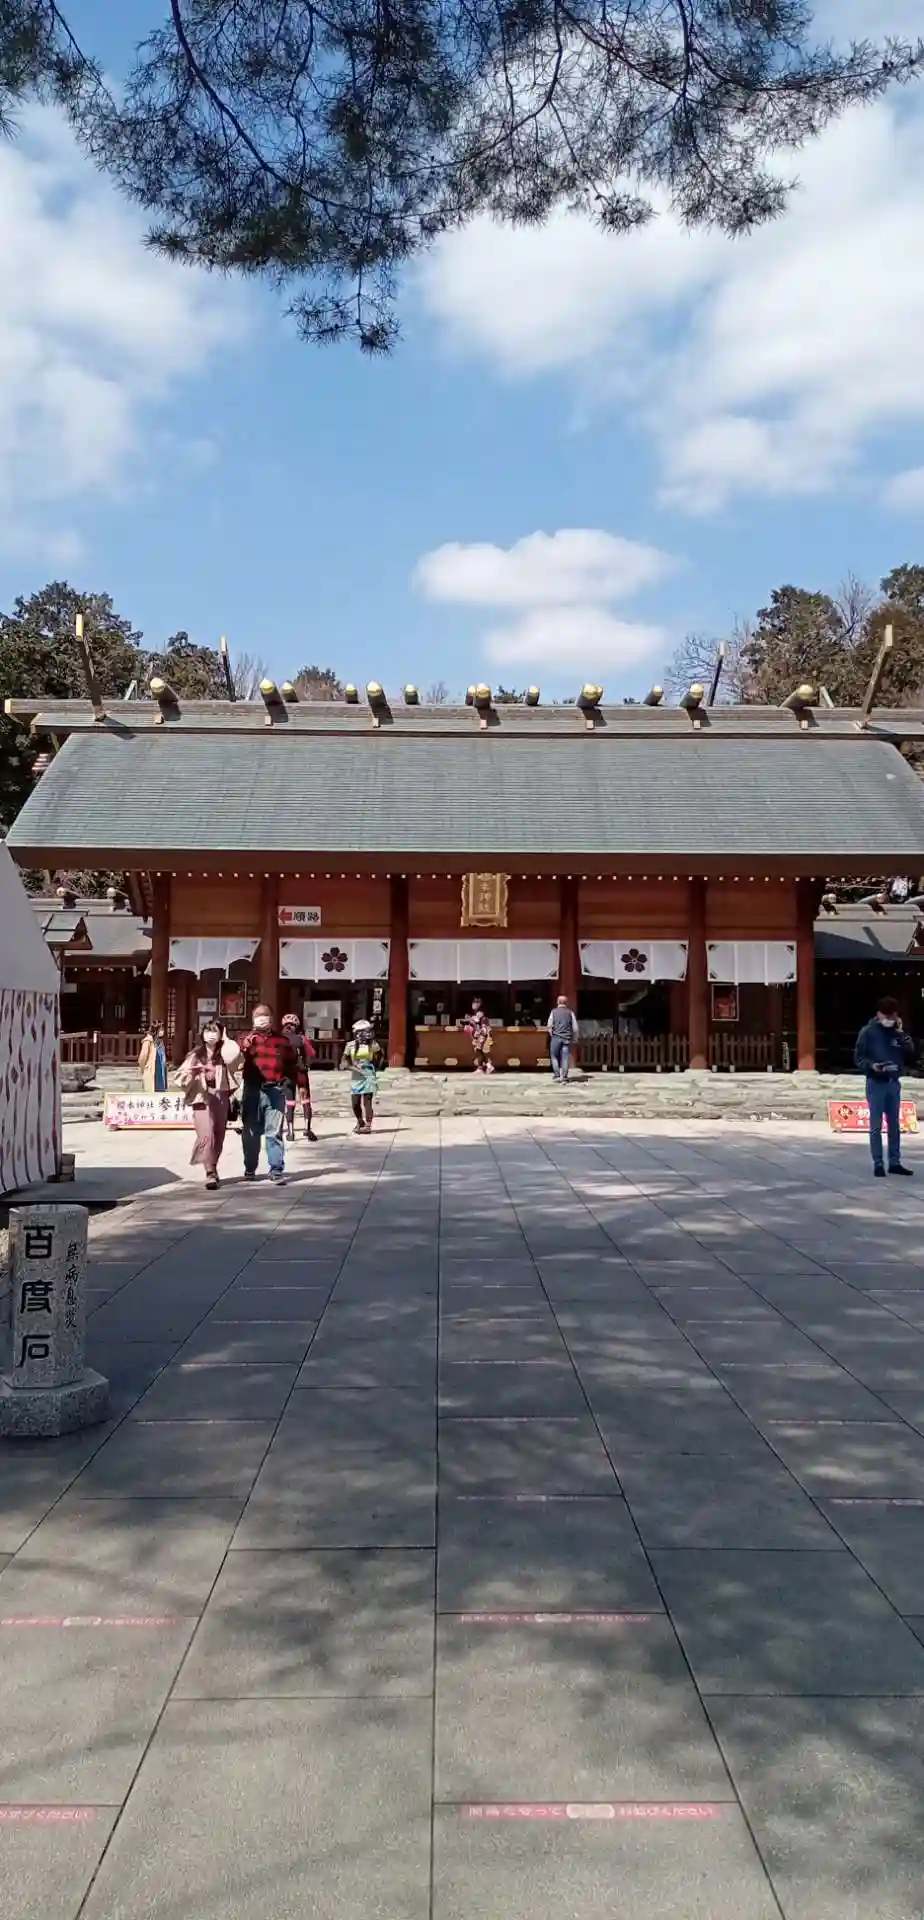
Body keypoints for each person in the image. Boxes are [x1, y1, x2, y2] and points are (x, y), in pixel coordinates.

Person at [237, 1004, 304, 1184]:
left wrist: (292, 1084)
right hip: (253, 1090)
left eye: (265, 1015)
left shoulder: (282, 1040)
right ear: (253, 1019)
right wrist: (245, 1047)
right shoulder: (245, 1039)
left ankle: (276, 1169)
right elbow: (235, 1058)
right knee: (251, 1132)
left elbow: (292, 1063)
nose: (262, 1018)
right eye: (258, 1016)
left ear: (271, 1019)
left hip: (275, 1089)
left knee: (274, 1132)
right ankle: (250, 1168)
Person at [175, 1020, 242, 1190]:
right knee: (206, 1134)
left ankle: (213, 1166)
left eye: (214, 1031)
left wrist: (226, 1039)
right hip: (201, 1096)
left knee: (218, 1134)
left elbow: (238, 1059)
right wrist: (193, 1073)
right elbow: (180, 1077)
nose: (210, 1035)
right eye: (207, 1031)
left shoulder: (225, 1053)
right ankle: (210, 1172)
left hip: (221, 1096)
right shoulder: (196, 1054)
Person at [854, 996, 915, 1178]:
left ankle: (894, 1162)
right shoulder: (867, 1032)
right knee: (876, 1125)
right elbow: (859, 1058)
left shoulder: (897, 1032)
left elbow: (910, 1051)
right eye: (886, 1015)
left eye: (892, 1016)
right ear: (878, 1014)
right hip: (876, 1083)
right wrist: (871, 1066)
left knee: (894, 1125)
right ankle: (878, 1163)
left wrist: (902, 1033)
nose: (889, 1019)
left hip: (893, 1083)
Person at [341, 1018, 383, 1133]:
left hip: (368, 1075)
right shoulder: (350, 1045)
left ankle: (368, 1124)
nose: (363, 1035)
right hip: (356, 1075)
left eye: (365, 1032)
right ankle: (360, 1121)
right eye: (360, 1032)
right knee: (355, 1102)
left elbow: (380, 1056)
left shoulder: (373, 1045)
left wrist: (374, 1067)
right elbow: (344, 1062)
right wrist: (355, 1068)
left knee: (367, 1102)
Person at [281, 1012, 319, 1141]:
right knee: (305, 1100)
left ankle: (291, 1132)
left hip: (287, 1074)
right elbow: (312, 1053)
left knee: (290, 1102)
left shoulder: (280, 1039)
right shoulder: (302, 1039)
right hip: (301, 1074)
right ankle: (307, 1129)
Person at [547, 994, 580, 1082]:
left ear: (557, 1002)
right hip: (566, 1038)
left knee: (554, 1056)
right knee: (565, 1058)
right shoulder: (570, 1013)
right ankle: (564, 1076)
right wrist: (575, 1038)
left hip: (556, 1037)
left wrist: (551, 1034)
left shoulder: (553, 1012)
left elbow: (549, 1025)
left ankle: (557, 1074)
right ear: (566, 1003)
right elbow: (575, 1028)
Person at [464, 997, 494, 1074]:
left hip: (483, 1034)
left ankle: (483, 1067)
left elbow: (481, 1023)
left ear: (479, 1004)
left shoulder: (480, 1013)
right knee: (479, 1050)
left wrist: (481, 1033)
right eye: (473, 1003)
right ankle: (487, 1066)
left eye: (475, 1003)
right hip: (479, 1034)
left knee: (479, 1050)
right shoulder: (475, 1013)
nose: (473, 1004)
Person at [138, 1021, 168, 1093]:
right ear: (156, 1029)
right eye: (161, 1029)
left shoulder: (160, 1042)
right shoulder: (148, 1041)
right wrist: (145, 1069)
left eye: (163, 1029)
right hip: (152, 1070)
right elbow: (142, 1058)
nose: (162, 1031)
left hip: (161, 1070)